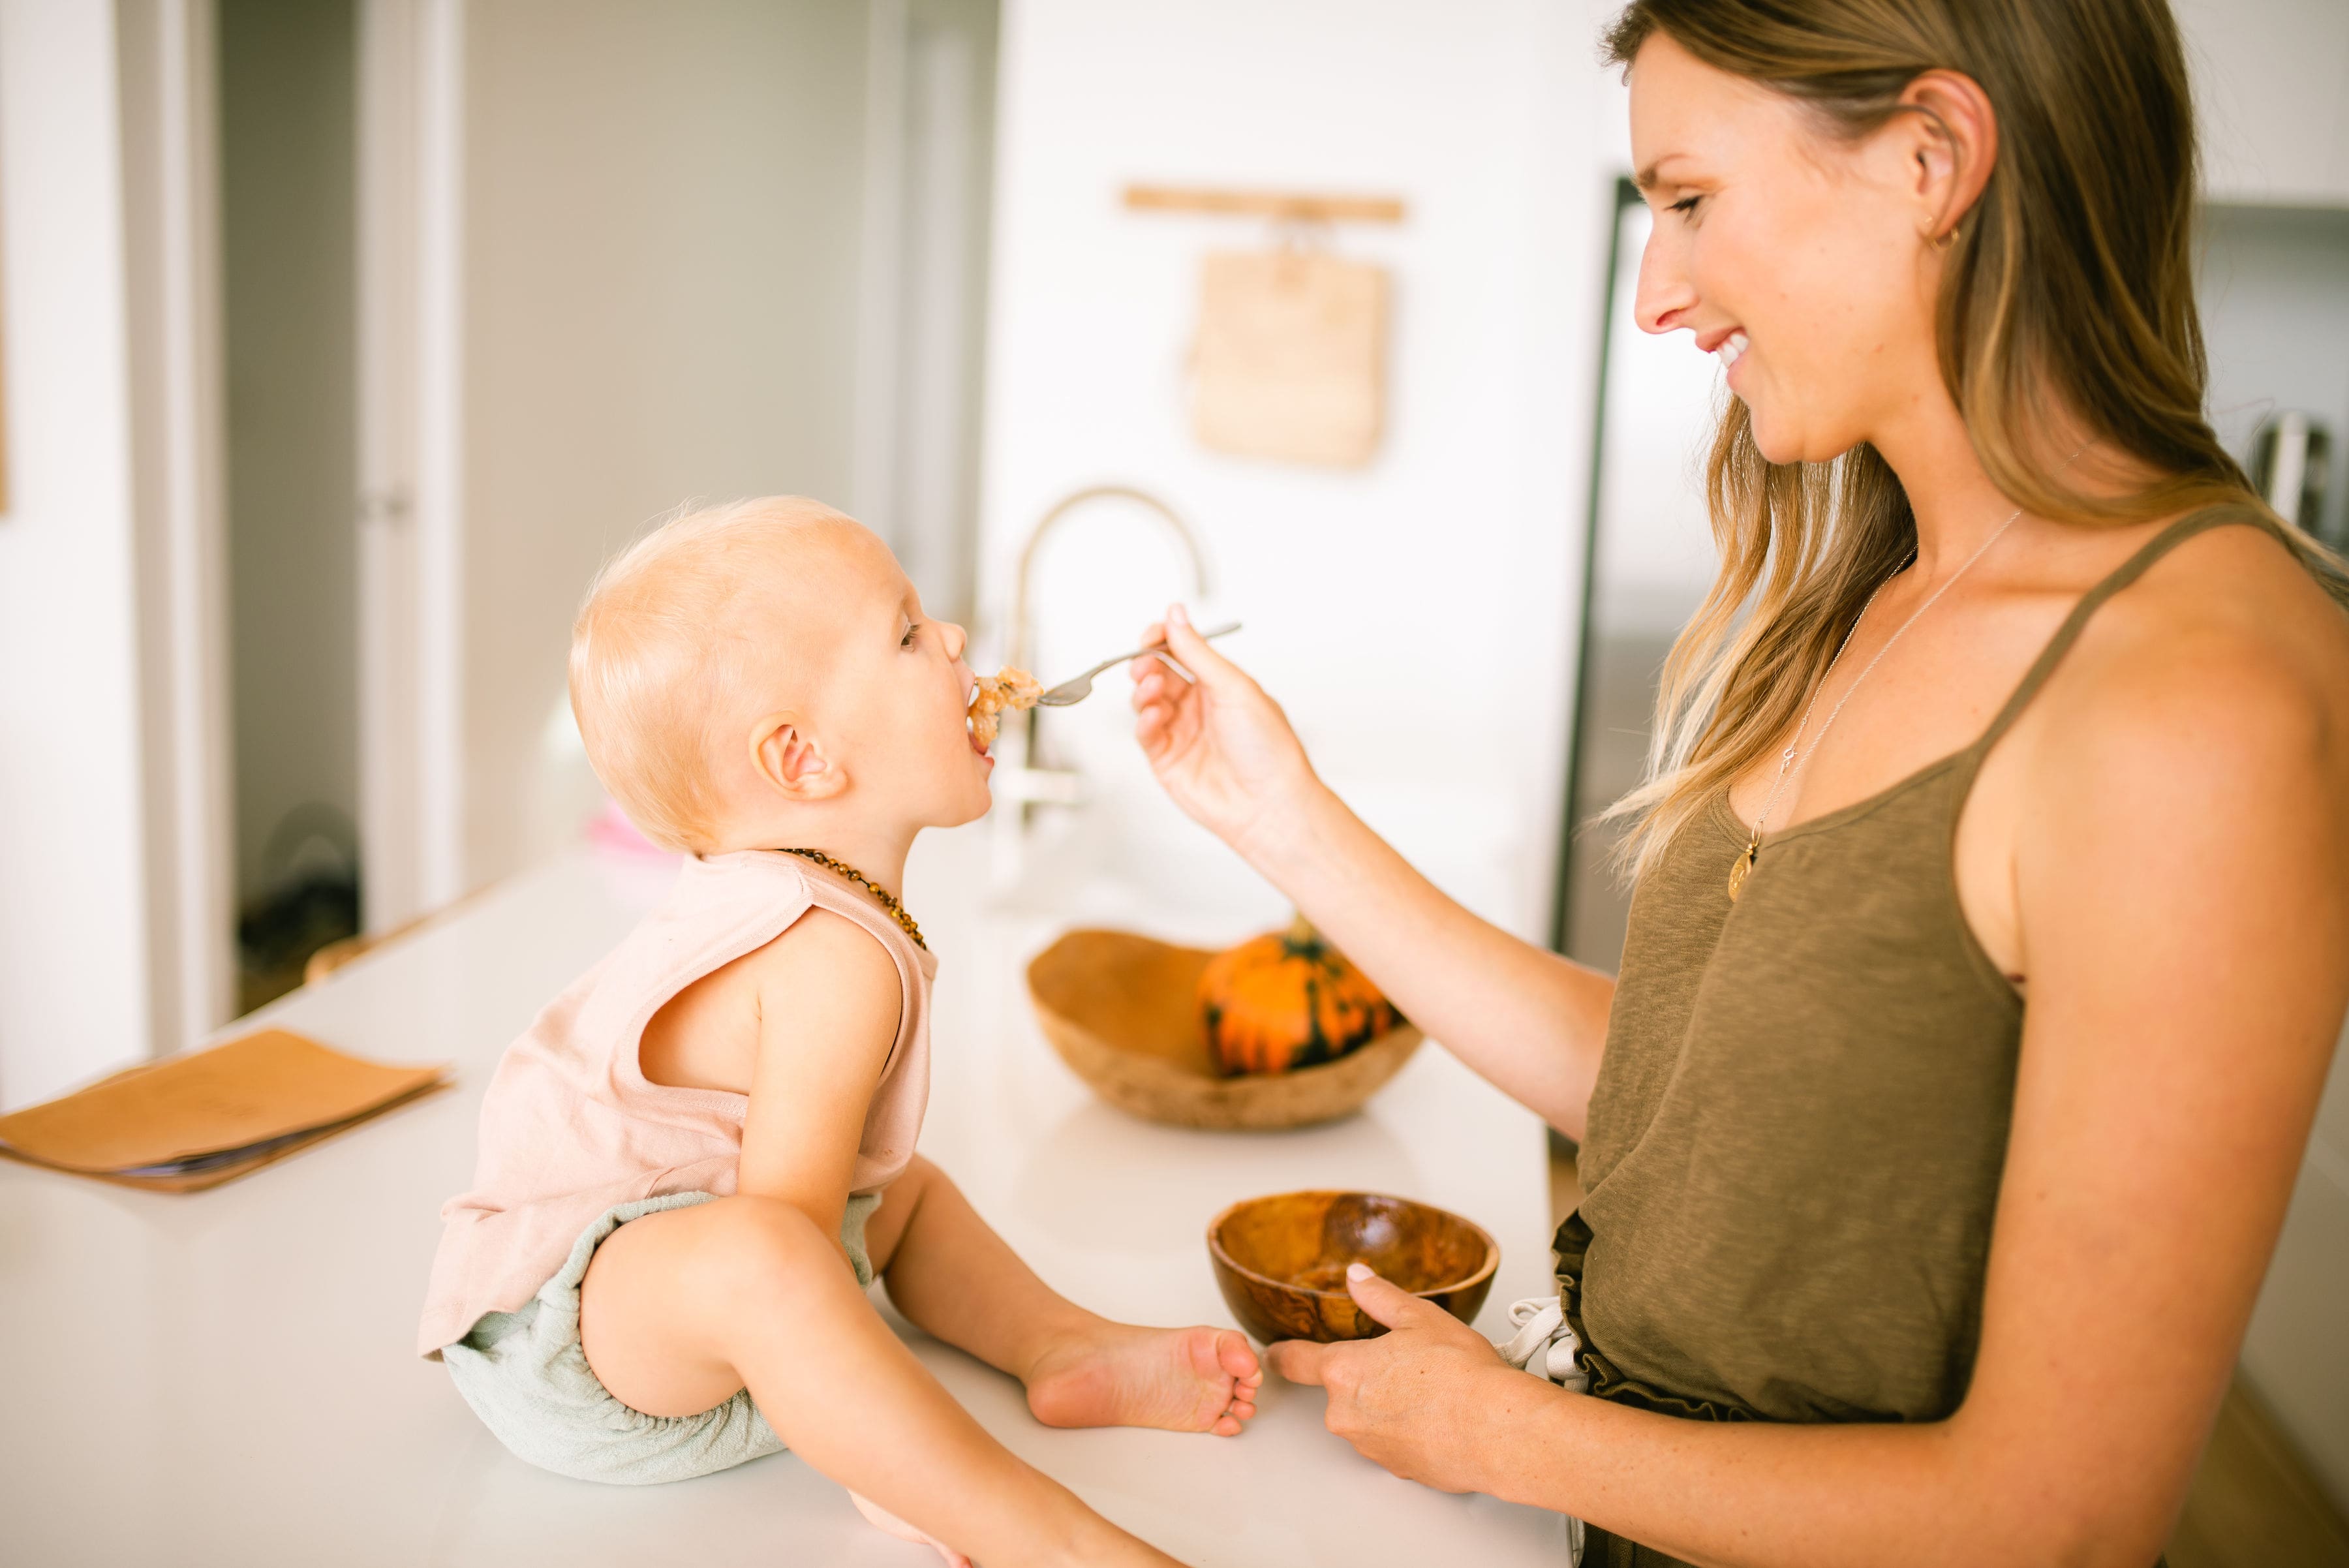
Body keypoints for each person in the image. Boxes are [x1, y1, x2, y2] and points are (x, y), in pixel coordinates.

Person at [1129, 1, 2349, 1563]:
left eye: (1690, 200)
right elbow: (1699, 1095)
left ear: (1933, 157)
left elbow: (2058, 1517)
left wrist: (1511, 1431)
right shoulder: (1888, 587)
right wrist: (1275, 816)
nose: (1655, 293)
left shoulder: (2199, 699)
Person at [418, 497, 1259, 1568]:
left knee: (898, 1188)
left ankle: (1059, 1342)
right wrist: (887, 1457)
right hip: (573, 1354)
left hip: (672, 1310)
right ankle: (1032, 1534)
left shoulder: (801, 895)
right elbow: (790, 1252)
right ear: (803, 759)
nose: (954, 641)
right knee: (774, 1250)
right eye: (908, 633)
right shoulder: (829, 952)